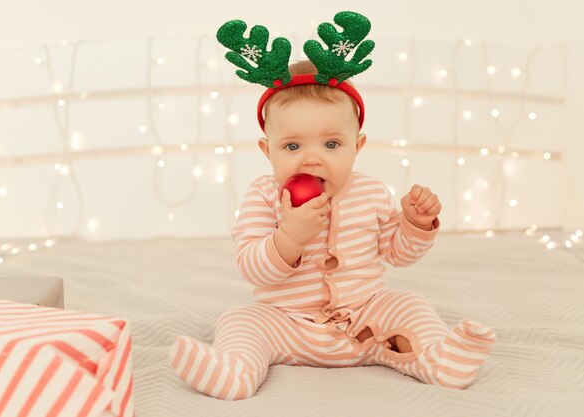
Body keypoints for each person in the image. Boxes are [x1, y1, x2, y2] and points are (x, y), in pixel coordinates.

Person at [170, 13, 495, 401]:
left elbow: (398, 254)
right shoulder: (262, 196)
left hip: (365, 322)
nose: (312, 159)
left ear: (356, 146)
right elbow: (253, 268)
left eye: (331, 144)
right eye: (292, 146)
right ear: (266, 150)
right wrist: (289, 237)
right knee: (240, 319)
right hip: (287, 324)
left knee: (409, 304)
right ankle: (236, 371)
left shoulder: (371, 191)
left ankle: (440, 359)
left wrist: (415, 223)